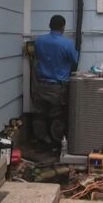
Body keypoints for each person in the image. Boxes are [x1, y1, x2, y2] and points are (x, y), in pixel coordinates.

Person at [31, 15, 79, 143]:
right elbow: (75, 60)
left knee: (39, 114)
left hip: (40, 84)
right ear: (63, 27)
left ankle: (41, 140)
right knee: (57, 115)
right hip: (57, 86)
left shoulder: (39, 40)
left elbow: (36, 56)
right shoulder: (67, 43)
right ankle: (57, 143)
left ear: (49, 26)